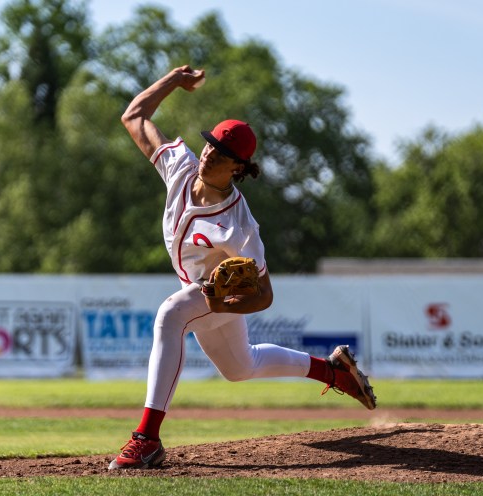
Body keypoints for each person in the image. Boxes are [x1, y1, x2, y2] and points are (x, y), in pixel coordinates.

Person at [108, 65, 376, 470]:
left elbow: (264, 295)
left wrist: (221, 303)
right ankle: (334, 371)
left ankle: (147, 439)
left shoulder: (239, 226)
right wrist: (173, 82)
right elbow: (134, 117)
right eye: (210, 143)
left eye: (220, 153)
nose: (209, 152)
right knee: (239, 367)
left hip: (212, 295)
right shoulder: (180, 167)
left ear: (237, 168)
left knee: (171, 314)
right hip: (204, 291)